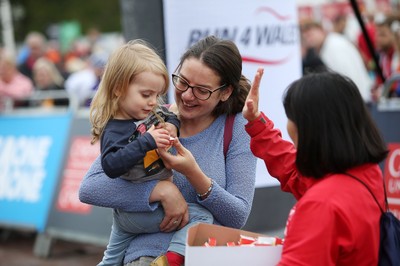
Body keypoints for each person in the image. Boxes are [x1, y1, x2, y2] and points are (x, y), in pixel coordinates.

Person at [79, 35, 257, 266]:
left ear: (225, 92)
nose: (187, 95)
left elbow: (237, 216)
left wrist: (194, 174)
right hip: (146, 256)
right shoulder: (151, 116)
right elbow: (91, 187)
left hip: (205, 258)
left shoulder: (237, 128)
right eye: (182, 81)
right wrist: (160, 190)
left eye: (202, 90)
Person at [243, 69, 388, 265]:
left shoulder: (322, 205)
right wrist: (257, 122)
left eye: (291, 117)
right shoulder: (365, 173)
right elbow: (297, 172)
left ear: (311, 127)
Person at [90, 40, 213, 266]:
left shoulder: (145, 113)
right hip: (139, 211)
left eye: (157, 95)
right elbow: (111, 165)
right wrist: (147, 141)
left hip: (125, 218)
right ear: (118, 87)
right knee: (202, 217)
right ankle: (171, 261)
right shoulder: (114, 127)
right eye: (146, 94)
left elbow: (169, 114)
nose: (153, 102)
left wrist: (173, 126)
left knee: (110, 260)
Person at [300, 20, 373, 102]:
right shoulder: (328, 45)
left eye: (310, 34)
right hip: (356, 97)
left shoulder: (334, 46)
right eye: (305, 36)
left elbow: (346, 76)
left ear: (321, 30)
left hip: (357, 98)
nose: (308, 38)